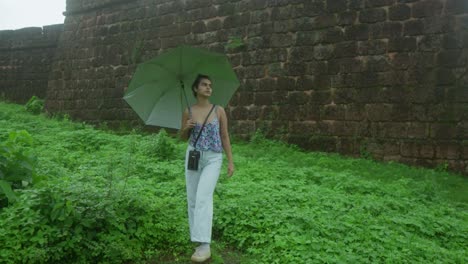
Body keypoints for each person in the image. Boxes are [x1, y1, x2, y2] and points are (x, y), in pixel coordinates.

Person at [180, 74, 235, 262]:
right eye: (204, 85)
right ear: (195, 89)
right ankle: (198, 240)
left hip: (213, 158)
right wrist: (186, 127)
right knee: (193, 199)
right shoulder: (188, 111)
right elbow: (181, 137)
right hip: (193, 156)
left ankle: (204, 246)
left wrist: (230, 161)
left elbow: (225, 136)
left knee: (204, 197)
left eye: (210, 85)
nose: (208, 87)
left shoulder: (218, 110)